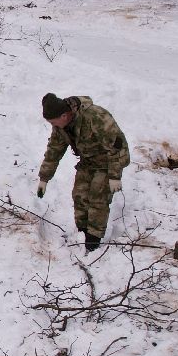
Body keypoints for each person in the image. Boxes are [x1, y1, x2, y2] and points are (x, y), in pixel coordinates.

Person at [37, 93, 131, 252]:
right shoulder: (61, 126)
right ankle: (82, 235)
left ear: (64, 115)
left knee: (97, 197)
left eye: (53, 122)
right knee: (79, 195)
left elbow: (116, 146)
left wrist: (115, 175)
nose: (53, 125)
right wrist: (44, 178)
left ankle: (93, 243)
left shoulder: (95, 117)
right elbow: (54, 151)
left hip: (110, 160)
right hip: (89, 161)